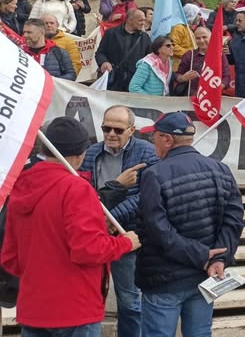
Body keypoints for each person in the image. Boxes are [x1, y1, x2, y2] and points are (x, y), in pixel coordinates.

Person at [1, 118, 141, 337]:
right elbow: (88, 249)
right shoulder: (76, 188)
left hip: (33, 307)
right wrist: (125, 243)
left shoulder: (20, 185)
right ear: (80, 153)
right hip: (75, 308)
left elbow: (10, 256)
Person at [136, 112, 243, 337]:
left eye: (153, 136)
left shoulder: (153, 174)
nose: (151, 141)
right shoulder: (220, 169)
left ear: (167, 139)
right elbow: (234, 220)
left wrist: (207, 256)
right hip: (204, 276)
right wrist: (217, 258)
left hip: (165, 279)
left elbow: (157, 230)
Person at [80, 105, 158, 337]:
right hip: (94, 235)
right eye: (106, 128)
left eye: (118, 129)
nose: (111, 134)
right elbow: (84, 192)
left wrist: (113, 218)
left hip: (127, 236)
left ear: (132, 130)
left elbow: (145, 196)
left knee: (130, 301)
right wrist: (100, 218)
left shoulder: (146, 153)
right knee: (88, 299)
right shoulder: (91, 153)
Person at [96, 9, 150, 91]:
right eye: (140, 20)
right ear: (129, 20)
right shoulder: (111, 33)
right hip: (114, 81)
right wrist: (104, 62)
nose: (143, 23)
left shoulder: (145, 37)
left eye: (144, 20)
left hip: (134, 83)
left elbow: (150, 58)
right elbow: (100, 53)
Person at [175, 26, 231, 97]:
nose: (201, 40)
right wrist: (183, 78)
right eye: (198, 38)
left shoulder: (220, 56)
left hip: (212, 98)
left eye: (204, 37)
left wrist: (216, 89)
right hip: (191, 98)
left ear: (211, 37)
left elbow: (226, 77)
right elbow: (177, 75)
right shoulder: (189, 55)